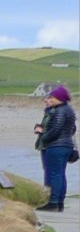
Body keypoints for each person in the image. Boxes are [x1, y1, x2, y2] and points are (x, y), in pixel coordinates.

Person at [34, 84, 75, 213]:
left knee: (53, 174)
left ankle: (53, 202)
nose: (50, 100)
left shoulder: (60, 110)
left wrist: (43, 136)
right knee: (60, 174)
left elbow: (55, 129)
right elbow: (72, 129)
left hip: (56, 146)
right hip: (64, 145)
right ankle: (59, 202)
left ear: (60, 98)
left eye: (53, 98)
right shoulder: (67, 110)